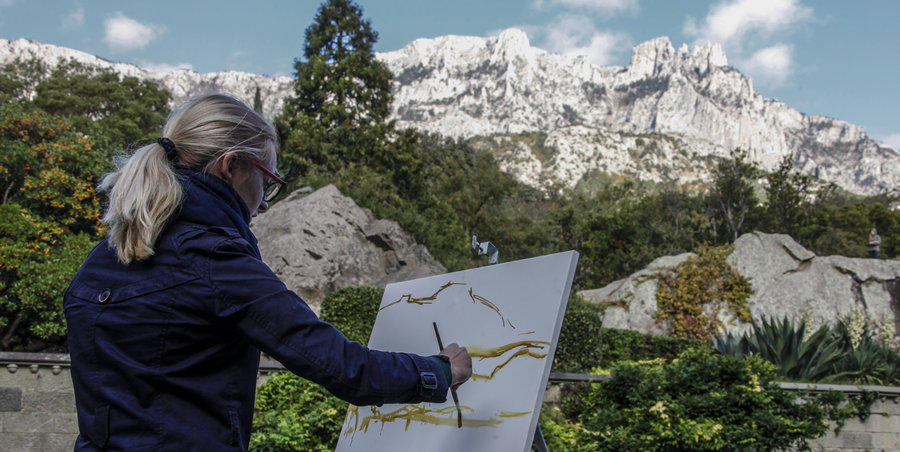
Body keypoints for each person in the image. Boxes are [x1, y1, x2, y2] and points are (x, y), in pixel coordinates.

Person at [64, 93, 472, 451]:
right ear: (231, 167)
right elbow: (341, 366)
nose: (263, 205)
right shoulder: (215, 259)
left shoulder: (100, 259)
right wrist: (439, 371)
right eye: (268, 182)